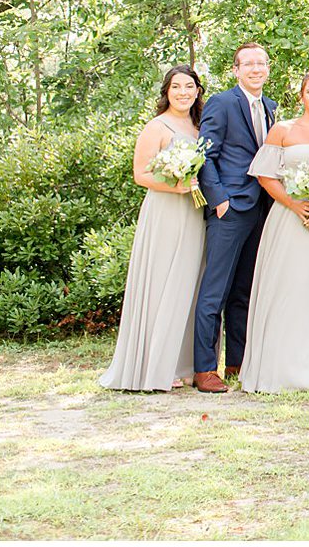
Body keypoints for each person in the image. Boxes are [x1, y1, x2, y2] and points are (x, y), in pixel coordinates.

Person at [237, 70, 309, 393]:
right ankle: (281, 368)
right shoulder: (283, 130)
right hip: (289, 219)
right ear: (301, 95)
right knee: (286, 290)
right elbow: (265, 175)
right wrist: (293, 203)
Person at [100, 66, 209, 392]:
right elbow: (141, 174)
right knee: (163, 282)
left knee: (189, 282)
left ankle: (182, 364)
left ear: (197, 90)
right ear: (167, 91)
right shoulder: (156, 126)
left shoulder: (198, 125)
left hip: (194, 211)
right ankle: (155, 365)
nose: (183, 92)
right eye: (176, 87)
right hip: (165, 210)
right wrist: (174, 185)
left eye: (189, 86)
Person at [193, 42, 277, 392]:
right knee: (216, 289)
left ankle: (237, 362)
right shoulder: (222, 103)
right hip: (231, 208)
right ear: (236, 70)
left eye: (262, 63)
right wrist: (219, 200)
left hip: (261, 208)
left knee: (244, 290)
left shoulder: (271, 108)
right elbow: (204, 155)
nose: (256, 69)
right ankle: (204, 369)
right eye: (249, 64)